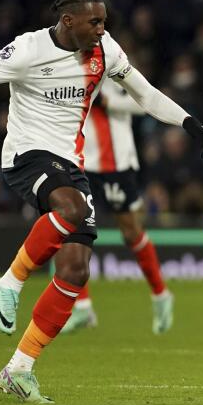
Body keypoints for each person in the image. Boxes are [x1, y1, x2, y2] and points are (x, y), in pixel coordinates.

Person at [0, 0, 203, 402]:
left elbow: (145, 94)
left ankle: (19, 368)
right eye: (94, 22)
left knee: (76, 270)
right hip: (27, 156)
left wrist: (190, 123)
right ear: (68, 21)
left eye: (104, 21)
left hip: (70, 164)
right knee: (74, 210)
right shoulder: (27, 50)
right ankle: (8, 283)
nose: (102, 29)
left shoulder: (106, 51)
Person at [60, 79, 173, 335]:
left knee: (131, 232)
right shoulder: (71, 70)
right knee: (73, 227)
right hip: (83, 161)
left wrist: (111, 102)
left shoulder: (115, 66)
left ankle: (160, 294)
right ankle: (83, 306)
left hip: (117, 164)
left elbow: (145, 102)